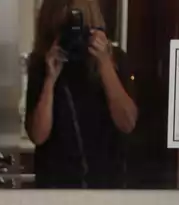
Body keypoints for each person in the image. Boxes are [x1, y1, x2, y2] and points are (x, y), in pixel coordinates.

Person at [25, 0, 138, 189]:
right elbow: (38, 135)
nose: (73, 36)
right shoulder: (42, 64)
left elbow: (127, 123)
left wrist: (104, 64)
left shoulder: (114, 59)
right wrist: (50, 80)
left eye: (79, 28)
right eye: (65, 29)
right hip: (55, 188)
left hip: (106, 186)